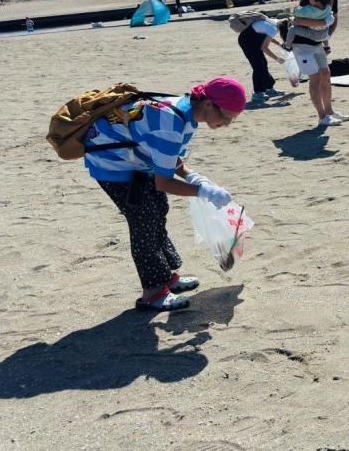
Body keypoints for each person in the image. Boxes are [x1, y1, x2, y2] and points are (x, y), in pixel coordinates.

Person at [84, 76, 246, 311]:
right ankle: (152, 292)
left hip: (135, 159)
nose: (227, 123)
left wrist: (192, 176)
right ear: (209, 104)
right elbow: (164, 182)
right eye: (226, 116)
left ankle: (166, 277)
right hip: (111, 163)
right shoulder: (171, 121)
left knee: (158, 209)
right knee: (143, 220)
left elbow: (167, 156)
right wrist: (202, 191)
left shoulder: (187, 112)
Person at [284, 0, 342, 126]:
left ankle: (329, 112)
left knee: (325, 74)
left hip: (317, 46)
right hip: (302, 47)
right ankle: (322, 117)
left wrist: (326, 42)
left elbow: (323, 26)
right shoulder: (306, 10)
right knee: (315, 78)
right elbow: (298, 22)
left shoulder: (317, 9)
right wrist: (324, 21)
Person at [238, 13, 285, 102]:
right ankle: (257, 93)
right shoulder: (273, 28)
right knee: (258, 66)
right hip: (247, 41)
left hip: (253, 39)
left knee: (263, 63)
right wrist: (277, 58)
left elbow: (268, 36)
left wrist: (280, 44)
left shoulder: (272, 22)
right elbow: (264, 47)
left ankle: (269, 88)